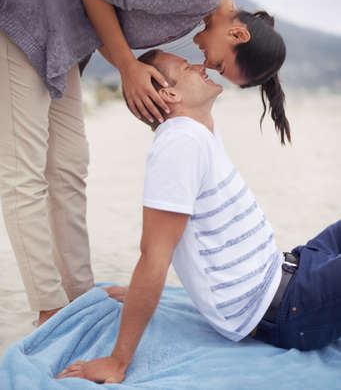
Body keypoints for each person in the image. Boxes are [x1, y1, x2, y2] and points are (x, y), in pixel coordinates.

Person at [0, 0, 289, 326]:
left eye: (212, 68)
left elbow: (101, 20)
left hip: (64, 30)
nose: (206, 63)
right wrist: (127, 68)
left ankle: (79, 295)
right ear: (238, 36)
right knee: (24, 172)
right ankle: (49, 306)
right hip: (28, 3)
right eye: (218, 63)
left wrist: (132, 69)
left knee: (69, 167)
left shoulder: (197, 10)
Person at [56, 50, 341, 384]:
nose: (201, 66)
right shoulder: (180, 143)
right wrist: (118, 361)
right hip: (292, 309)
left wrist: (136, 292)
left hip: (295, 267)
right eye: (187, 67)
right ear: (170, 94)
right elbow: (154, 254)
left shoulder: (198, 132)